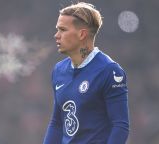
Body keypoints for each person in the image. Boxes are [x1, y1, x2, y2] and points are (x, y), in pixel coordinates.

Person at [43, 2, 129, 144]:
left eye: (62, 30)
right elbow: (57, 123)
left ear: (82, 34)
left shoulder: (110, 71)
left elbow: (120, 126)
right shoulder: (58, 70)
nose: (56, 35)